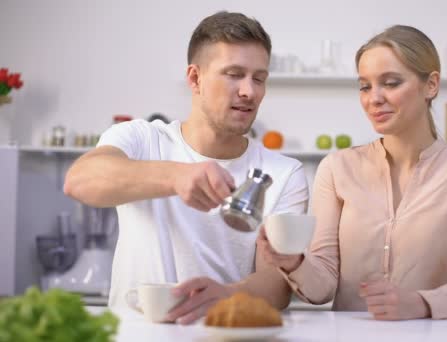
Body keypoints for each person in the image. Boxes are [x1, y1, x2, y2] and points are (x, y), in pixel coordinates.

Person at [258, 25, 447, 320]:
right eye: (365, 86)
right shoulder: (336, 168)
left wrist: (423, 303)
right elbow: (323, 286)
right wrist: (294, 263)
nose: (374, 98)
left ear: (431, 85)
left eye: (391, 83)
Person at [64, 11, 309, 324]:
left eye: (259, 78)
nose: (250, 91)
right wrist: (176, 176)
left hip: (223, 333)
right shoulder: (142, 139)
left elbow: (278, 284)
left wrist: (228, 295)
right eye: (234, 74)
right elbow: (80, 180)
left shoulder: (284, 172)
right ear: (195, 78)